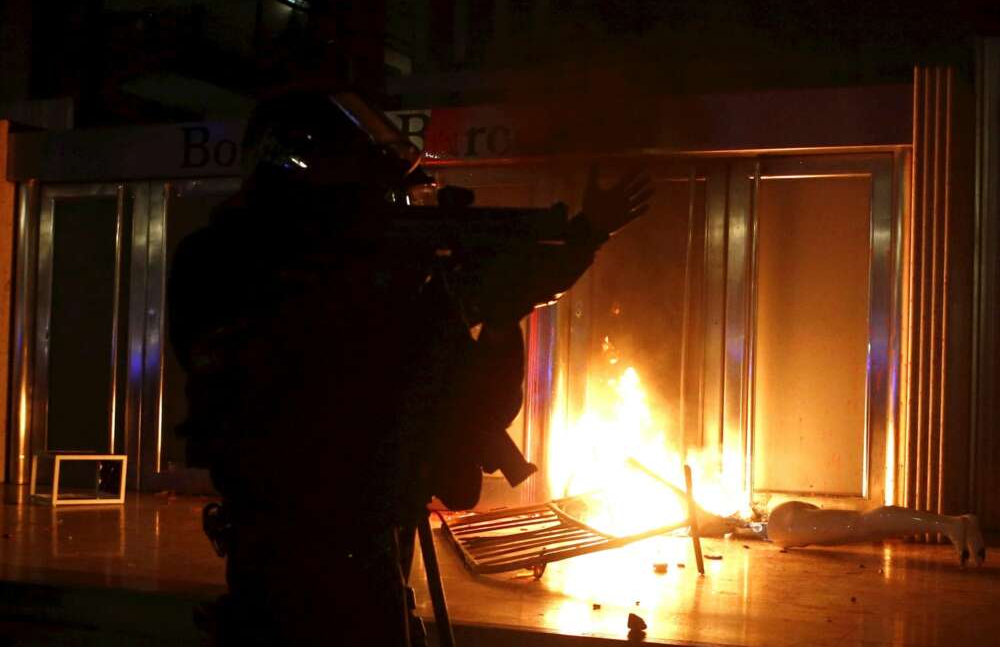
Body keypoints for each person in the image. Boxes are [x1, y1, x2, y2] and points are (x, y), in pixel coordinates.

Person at [167, 87, 653, 646]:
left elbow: (496, 292)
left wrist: (583, 234)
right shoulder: (235, 262)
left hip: (365, 521)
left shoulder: (360, 264)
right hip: (296, 534)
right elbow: (287, 365)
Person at [766, 501, 986, 566]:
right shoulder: (780, 530)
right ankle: (958, 523)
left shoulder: (780, 525)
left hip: (784, 523)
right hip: (784, 524)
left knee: (862, 524)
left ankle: (949, 524)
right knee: (862, 526)